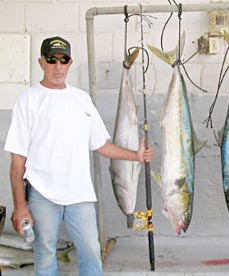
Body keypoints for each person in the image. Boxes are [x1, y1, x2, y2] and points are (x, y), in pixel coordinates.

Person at [4, 36, 154, 276]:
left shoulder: (81, 99)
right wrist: (20, 206)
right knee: (44, 257)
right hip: (43, 194)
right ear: (41, 62)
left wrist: (135, 156)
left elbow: (101, 145)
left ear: (70, 62)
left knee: (92, 253)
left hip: (80, 194)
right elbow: (17, 162)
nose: (58, 66)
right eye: (51, 60)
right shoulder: (28, 100)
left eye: (63, 60)